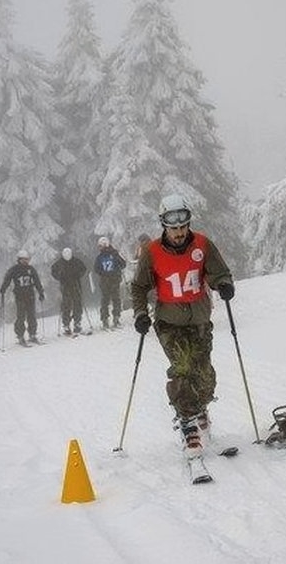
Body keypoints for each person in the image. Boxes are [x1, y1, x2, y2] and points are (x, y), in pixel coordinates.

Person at [131, 194, 235, 458]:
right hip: (169, 322)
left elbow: (218, 271)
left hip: (200, 319)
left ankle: (200, 410)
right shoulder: (152, 252)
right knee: (183, 368)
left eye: (182, 226)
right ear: (164, 225)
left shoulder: (202, 244)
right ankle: (188, 425)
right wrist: (141, 313)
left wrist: (223, 284)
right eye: (173, 228)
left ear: (188, 223)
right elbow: (139, 286)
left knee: (205, 376)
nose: (178, 233)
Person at [0, 250, 45, 346]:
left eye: (27, 259)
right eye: (23, 260)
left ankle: (32, 334)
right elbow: (7, 279)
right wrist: (3, 289)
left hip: (30, 295)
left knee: (32, 316)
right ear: (19, 259)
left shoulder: (31, 269)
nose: (26, 261)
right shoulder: (14, 269)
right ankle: (20, 336)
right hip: (20, 296)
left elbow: (37, 281)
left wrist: (41, 292)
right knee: (21, 316)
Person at [50, 247, 87, 335]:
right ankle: (66, 324)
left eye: (69, 255)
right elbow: (53, 271)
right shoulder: (59, 263)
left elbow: (84, 269)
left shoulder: (76, 261)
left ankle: (77, 323)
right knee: (66, 306)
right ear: (63, 255)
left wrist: (78, 275)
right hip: (65, 287)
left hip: (76, 285)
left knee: (77, 304)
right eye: (65, 255)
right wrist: (59, 277)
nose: (67, 257)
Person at [93, 237, 127, 329]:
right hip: (108, 281)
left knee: (110, 300)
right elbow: (96, 268)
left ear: (105, 245)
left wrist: (108, 272)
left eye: (100, 246)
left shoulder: (113, 254)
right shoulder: (102, 256)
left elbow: (123, 264)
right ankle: (108, 319)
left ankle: (112, 318)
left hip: (111, 281)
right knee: (110, 300)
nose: (99, 248)